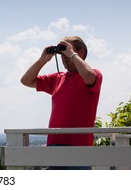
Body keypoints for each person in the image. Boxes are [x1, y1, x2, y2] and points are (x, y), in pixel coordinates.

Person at [20, 36, 102, 170]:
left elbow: (88, 77)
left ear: (80, 52)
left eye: (66, 53)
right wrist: (42, 60)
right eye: (61, 54)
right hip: (54, 145)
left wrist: (71, 53)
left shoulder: (95, 74)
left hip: (80, 147)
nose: (63, 58)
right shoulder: (57, 78)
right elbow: (26, 81)